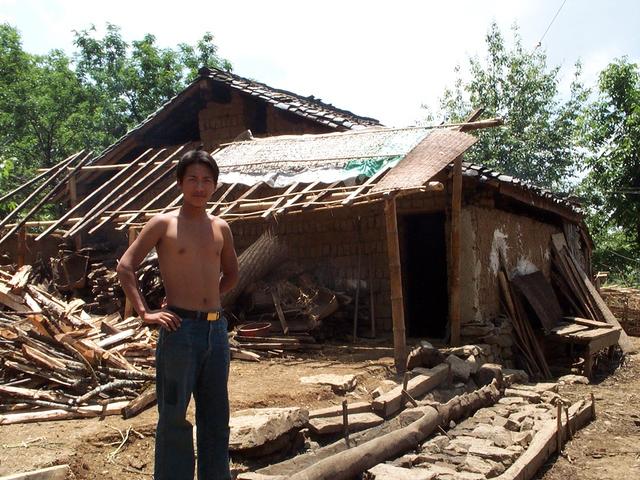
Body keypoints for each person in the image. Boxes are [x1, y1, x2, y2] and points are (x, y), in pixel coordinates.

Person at [117, 149, 239, 480]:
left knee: (216, 417)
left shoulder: (221, 227)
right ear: (179, 183)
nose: (200, 187)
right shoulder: (163, 223)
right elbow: (125, 267)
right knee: (173, 417)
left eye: (207, 181)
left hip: (216, 331)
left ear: (215, 185)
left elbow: (232, 274)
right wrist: (145, 312)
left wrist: (211, 297)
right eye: (193, 180)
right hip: (180, 331)